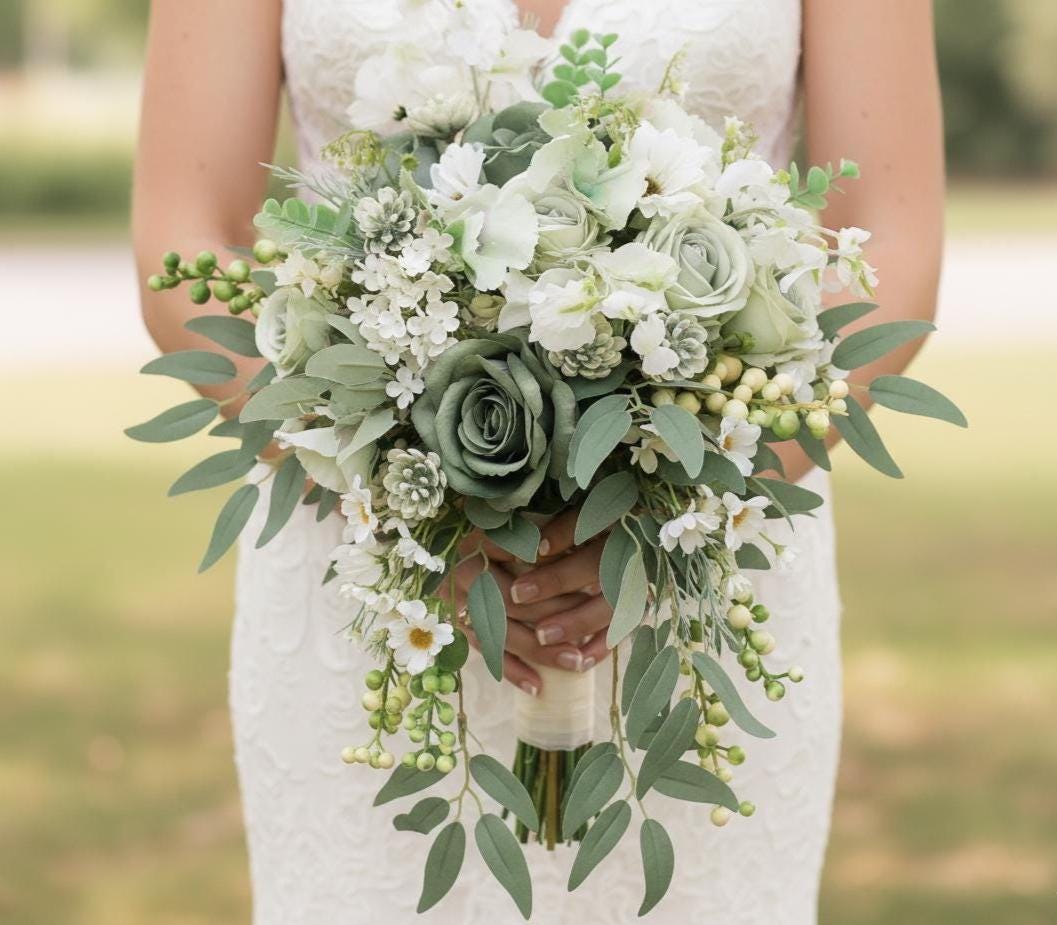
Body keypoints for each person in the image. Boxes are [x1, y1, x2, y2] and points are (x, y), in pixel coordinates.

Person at [133, 2, 943, 922]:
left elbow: (891, 240)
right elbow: (184, 231)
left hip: (698, 572)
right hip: (368, 577)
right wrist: (410, 506)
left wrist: (667, 512)